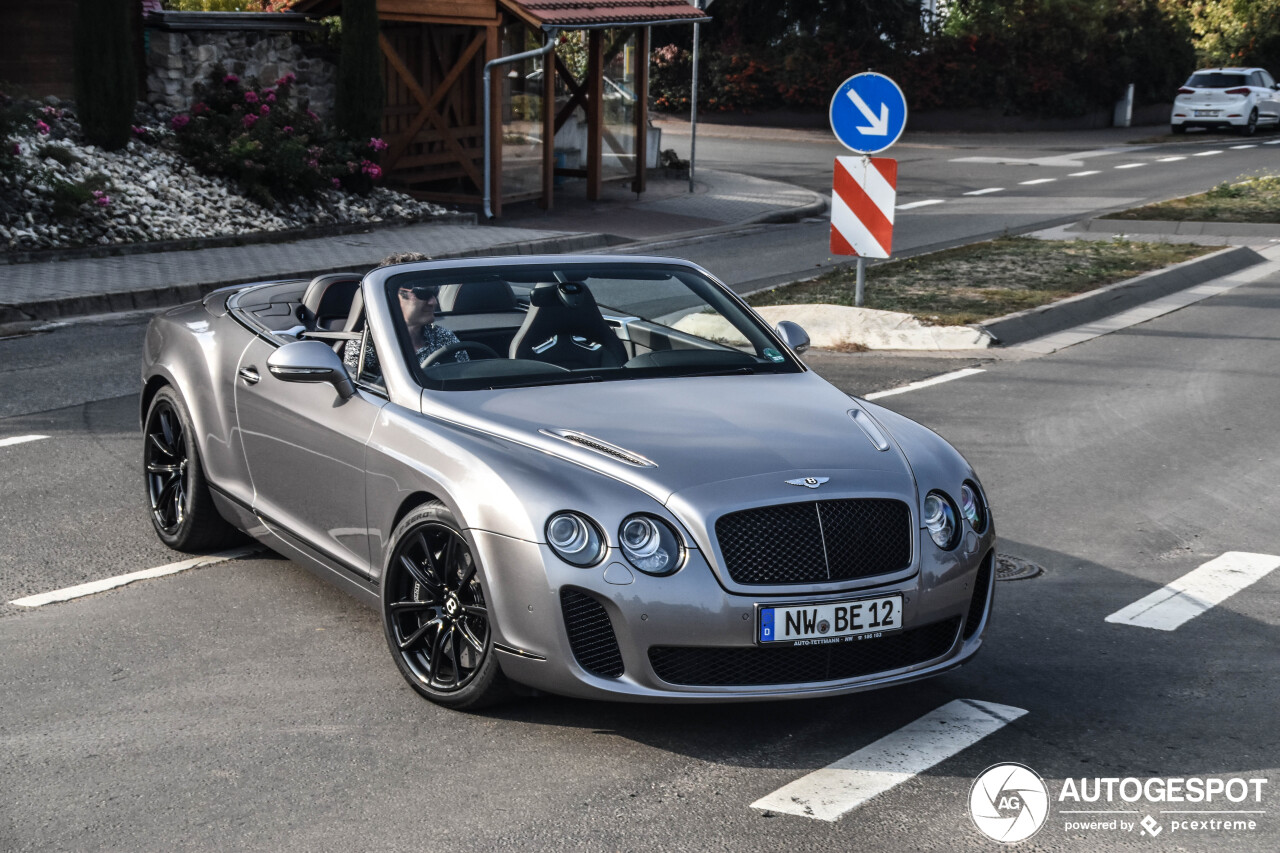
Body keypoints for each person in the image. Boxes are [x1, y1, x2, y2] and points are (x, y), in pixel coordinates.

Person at [343, 253, 469, 379]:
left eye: (435, 293)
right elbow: (360, 394)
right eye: (423, 294)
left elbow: (467, 380)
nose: (433, 302)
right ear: (392, 297)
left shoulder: (443, 337)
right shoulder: (366, 345)